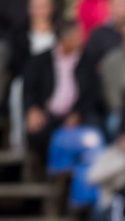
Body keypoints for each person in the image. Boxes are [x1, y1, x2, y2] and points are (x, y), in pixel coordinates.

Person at [23, 18, 89, 158]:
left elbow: (91, 92)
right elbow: (29, 88)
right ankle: (49, 170)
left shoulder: (86, 61)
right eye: (77, 35)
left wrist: (78, 113)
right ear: (64, 39)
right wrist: (32, 108)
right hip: (48, 113)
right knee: (38, 132)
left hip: (77, 113)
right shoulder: (41, 61)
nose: (81, 39)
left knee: (93, 131)